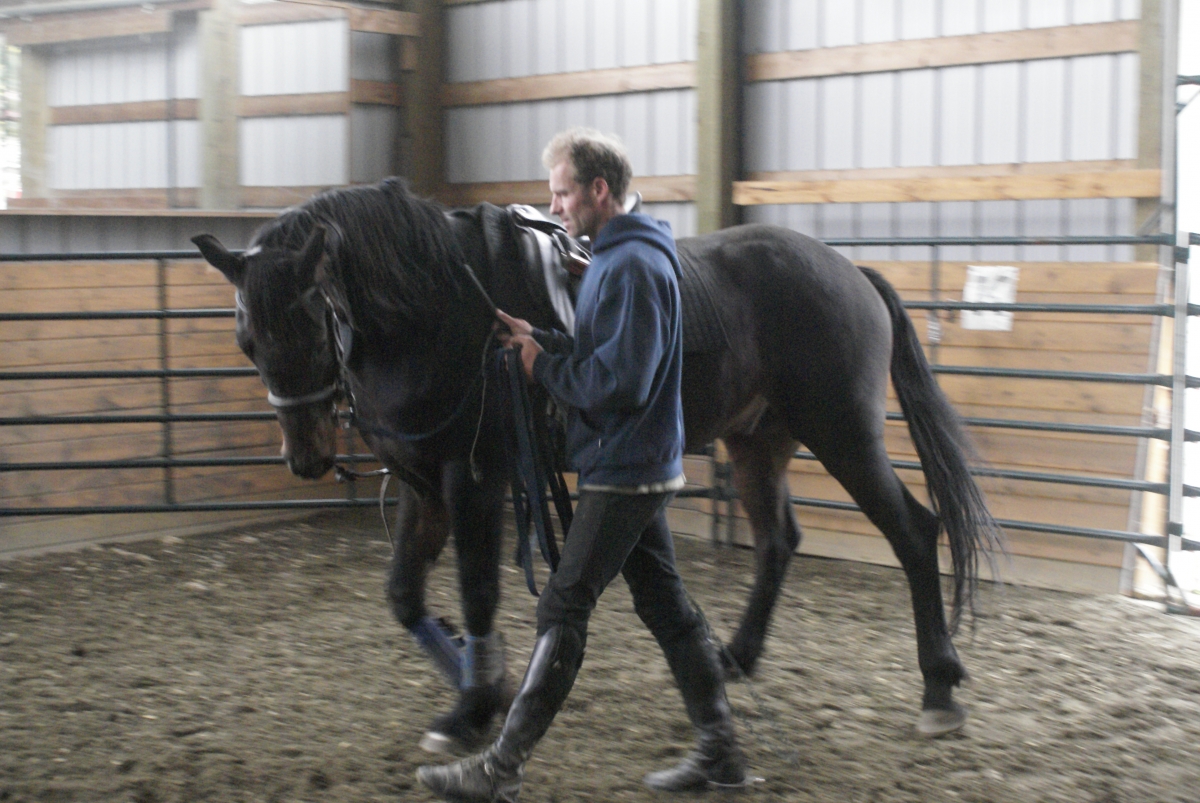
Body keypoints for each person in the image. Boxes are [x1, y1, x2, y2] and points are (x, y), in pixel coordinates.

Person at [416, 128, 748, 802]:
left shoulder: (629, 267)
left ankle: (499, 768)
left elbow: (620, 380)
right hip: (632, 460)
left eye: (563, 192)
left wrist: (544, 365)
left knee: (565, 604)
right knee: (665, 604)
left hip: (626, 465)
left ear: (599, 189)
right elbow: (608, 352)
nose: (556, 205)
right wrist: (540, 337)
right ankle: (723, 753)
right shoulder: (617, 259)